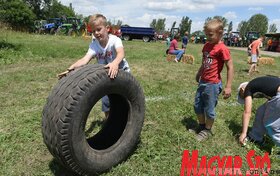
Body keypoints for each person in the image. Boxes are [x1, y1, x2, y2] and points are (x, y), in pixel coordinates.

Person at [58, 14, 130, 118]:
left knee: (124, 99)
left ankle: (128, 118)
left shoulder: (115, 40)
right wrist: (70, 69)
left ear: (107, 28)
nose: (96, 33)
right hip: (106, 75)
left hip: (121, 71)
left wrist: (115, 63)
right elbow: (84, 59)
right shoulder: (94, 45)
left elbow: (121, 53)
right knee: (106, 101)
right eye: (93, 31)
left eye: (99, 29)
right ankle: (109, 122)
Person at [193, 18, 234, 141]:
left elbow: (230, 67)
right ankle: (201, 126)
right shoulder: (206, 46)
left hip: (213, 84)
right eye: (206, 35)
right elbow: (204, 62)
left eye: (210, 35)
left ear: (220, 33)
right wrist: (199, 72)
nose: (207, 37)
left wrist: (228, 86)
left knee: (209, 109)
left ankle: (207, 130)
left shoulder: (222, 48)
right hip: (203, 82)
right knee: (197, 106)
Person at [238, 76, 280, 147]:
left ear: (242, 90)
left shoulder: (248, 88)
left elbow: (247, 112)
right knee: (261, 111)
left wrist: (243, 133)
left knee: (271, 124)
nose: (245, 98)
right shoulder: (259, 83)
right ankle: (255, 137)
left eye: (242, 96)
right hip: (277, 94)